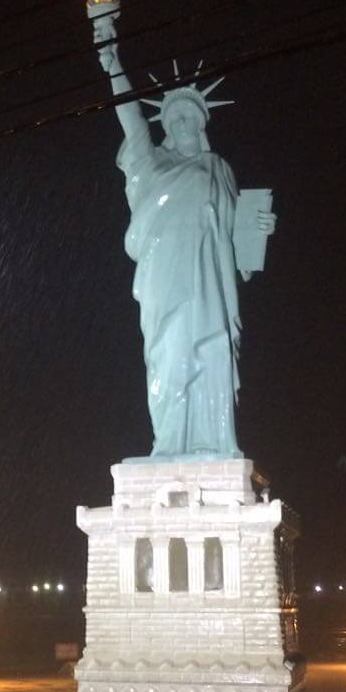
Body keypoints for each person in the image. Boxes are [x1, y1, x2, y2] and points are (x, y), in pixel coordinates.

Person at [98, 39, 275, 457]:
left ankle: (213, 442)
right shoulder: (153, 163)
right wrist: (112, 62)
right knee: (165, 354)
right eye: (172, 118)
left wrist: (258, 227)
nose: (178, 124)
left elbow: (237, 237)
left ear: (200, 125)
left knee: (211, 349)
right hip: (163, 276)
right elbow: (132, 120)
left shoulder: (217, 169)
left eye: (186, 118)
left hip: (209, 279)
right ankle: (170, 444)